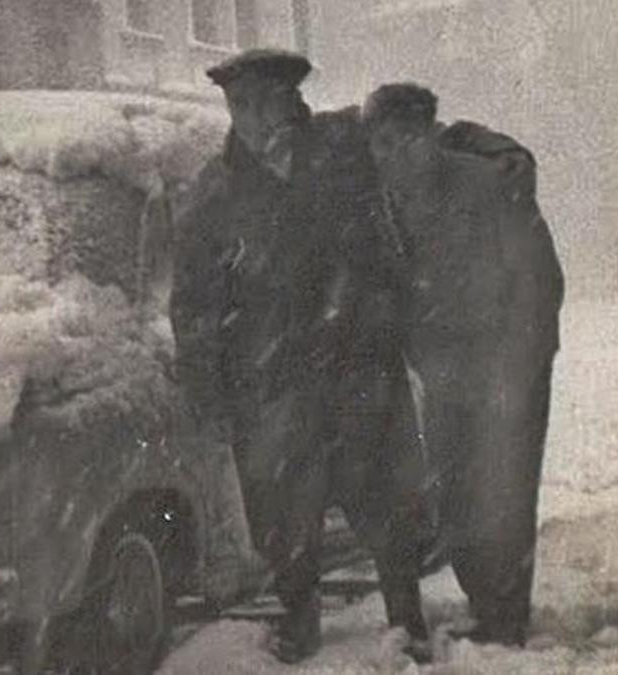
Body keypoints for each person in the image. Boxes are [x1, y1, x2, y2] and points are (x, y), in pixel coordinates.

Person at [169, 52, 438, 663]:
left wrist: (379, 309)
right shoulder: (216, 192)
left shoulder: (346, 159)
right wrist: (205, 383)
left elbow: (395, 242)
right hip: (272, 378)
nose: (258, 121)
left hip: (358, 361)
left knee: (384, 493)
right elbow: (192, 298)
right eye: (243, 108)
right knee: (283, 505)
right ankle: (300, 615)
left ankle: (406, 617)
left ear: (294, 101)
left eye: (269, 104)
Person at [361, 82, 564, 647]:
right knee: (455, 493)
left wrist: (518, 369)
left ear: (432, 136)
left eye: (407, 139)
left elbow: (538, 277)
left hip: (510, 362)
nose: (395, 153)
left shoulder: (485, 188)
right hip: (447, 367)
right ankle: (485, 602)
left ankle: (507, 620)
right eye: (382, 143)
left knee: (506, 491)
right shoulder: (380, 201)